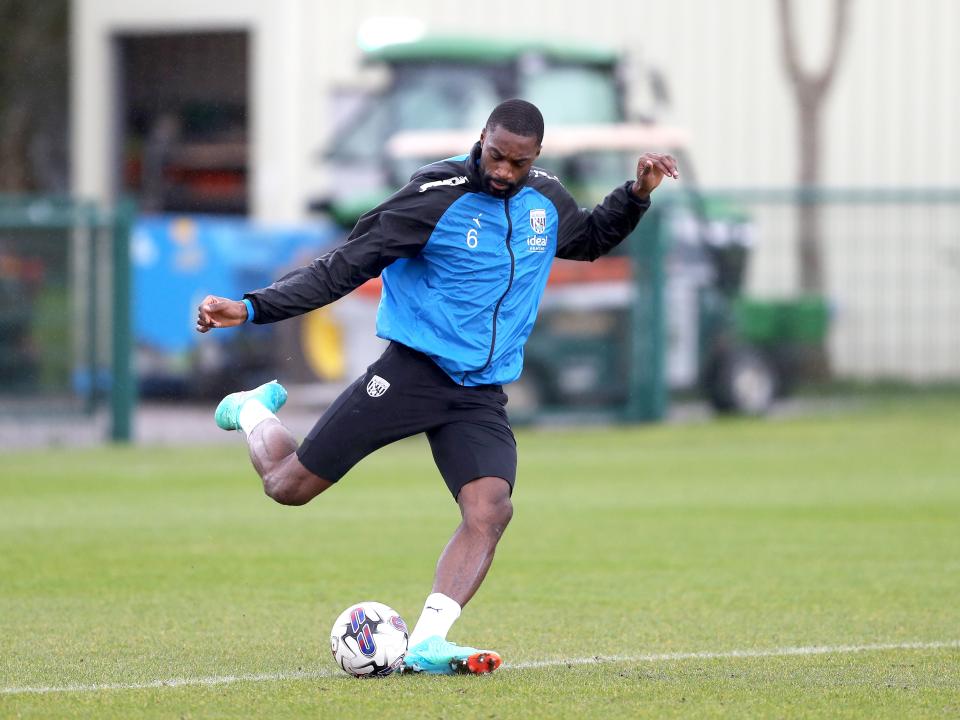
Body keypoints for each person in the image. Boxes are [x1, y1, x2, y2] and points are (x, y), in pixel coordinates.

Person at [196, 99, 678, 675]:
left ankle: (426, 641)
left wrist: (637, 194)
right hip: (413, 373)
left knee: (490, 509)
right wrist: (252, 308)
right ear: (481, 139)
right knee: (288, 486)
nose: (502, 170)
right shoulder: (434, 197)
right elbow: (344, 266)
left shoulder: (544, 198)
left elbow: (590, 239)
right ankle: (252, 412)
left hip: (480, 393)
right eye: (495, 155)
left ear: (536, 158)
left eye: (517, 163)